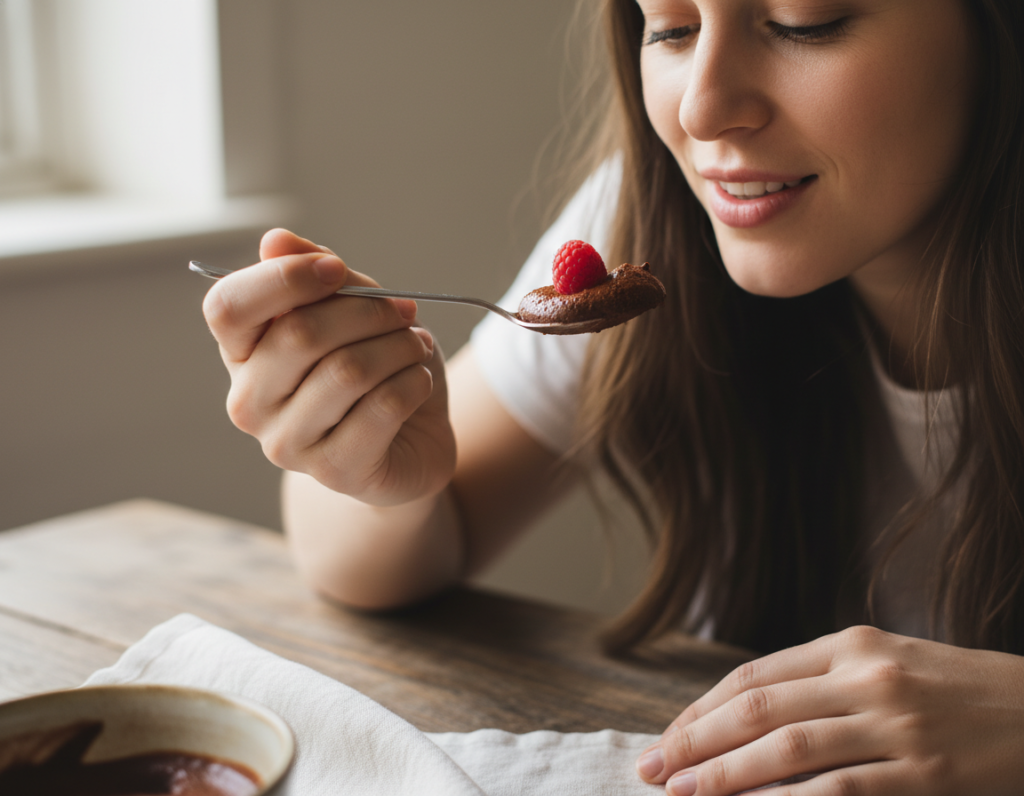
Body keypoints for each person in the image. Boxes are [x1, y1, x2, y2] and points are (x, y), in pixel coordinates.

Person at [201, 0, 1024, 792]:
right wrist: (380, 462)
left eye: (802, 23)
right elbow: (361, 558)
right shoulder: (663, 219)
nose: (702, 109)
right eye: (668, 27)